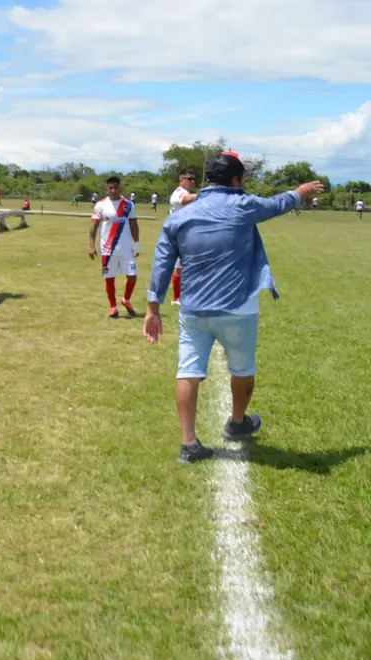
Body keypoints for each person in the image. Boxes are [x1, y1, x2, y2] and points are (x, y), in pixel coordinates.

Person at [143, 151, 325, 464]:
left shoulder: (178, 217)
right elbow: (277, 204)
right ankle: (237, 422)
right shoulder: (243, 206)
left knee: (188, 371)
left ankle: (188, 444)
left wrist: (152, 309)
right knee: (242, 369)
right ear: (236, 181)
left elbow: (162, 265)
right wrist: (300, 192)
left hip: (193, 309)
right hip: (238, 308)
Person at [89, 176, 140, 318]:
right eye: (110, 188)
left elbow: (134, 225)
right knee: (109, 278)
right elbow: (93, 227)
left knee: (132, 276)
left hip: (126, 248)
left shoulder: (128, 205)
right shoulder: (101, 205)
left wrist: (137, 243)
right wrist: (91, 245)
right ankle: (113, 308)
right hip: (107, 249)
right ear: (107, 189)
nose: (112, 190)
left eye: (115, 188)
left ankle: (126, 299)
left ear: (120, 188)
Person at [168, 169, 199, 305]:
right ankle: (176, 298)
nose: (193, 181)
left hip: (187, 234)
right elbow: (184, 200)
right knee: (180, 267)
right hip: (180, 235)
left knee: (184, 267)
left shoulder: (186, 193)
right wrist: (205, 194)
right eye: (189, 179)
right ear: (181, 180)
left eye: (194, 179)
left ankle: (182, 296)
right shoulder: (179, 193)